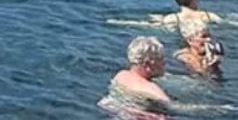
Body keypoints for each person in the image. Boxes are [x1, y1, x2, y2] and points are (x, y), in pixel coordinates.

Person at [97, 37, 235, 118]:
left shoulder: (120, 75)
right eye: (161, 59)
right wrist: (220, 109)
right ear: (148, 63)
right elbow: (178, 108)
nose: (164, 63)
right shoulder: (152, 90)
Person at [110, 0, 229, 31]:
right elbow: (226, 23)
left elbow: (148, 26)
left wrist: (121, 22)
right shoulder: (208, 15)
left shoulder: (173, 18)